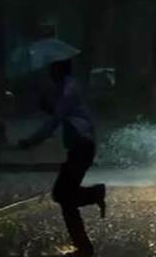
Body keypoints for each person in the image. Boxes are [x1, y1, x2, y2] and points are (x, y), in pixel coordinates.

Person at [18, 59, 106, 257]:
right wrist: (45, 105)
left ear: (58, 70)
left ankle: (95, 195)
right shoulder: (67, 87)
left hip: (82, 148)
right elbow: (62, 114)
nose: (50, 74)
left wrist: (32, 140)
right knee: (64, 196)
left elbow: (58, 118)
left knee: (62, 195)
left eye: (52, 69)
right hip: (79, 148)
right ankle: (83, 247)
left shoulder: (69, 89)